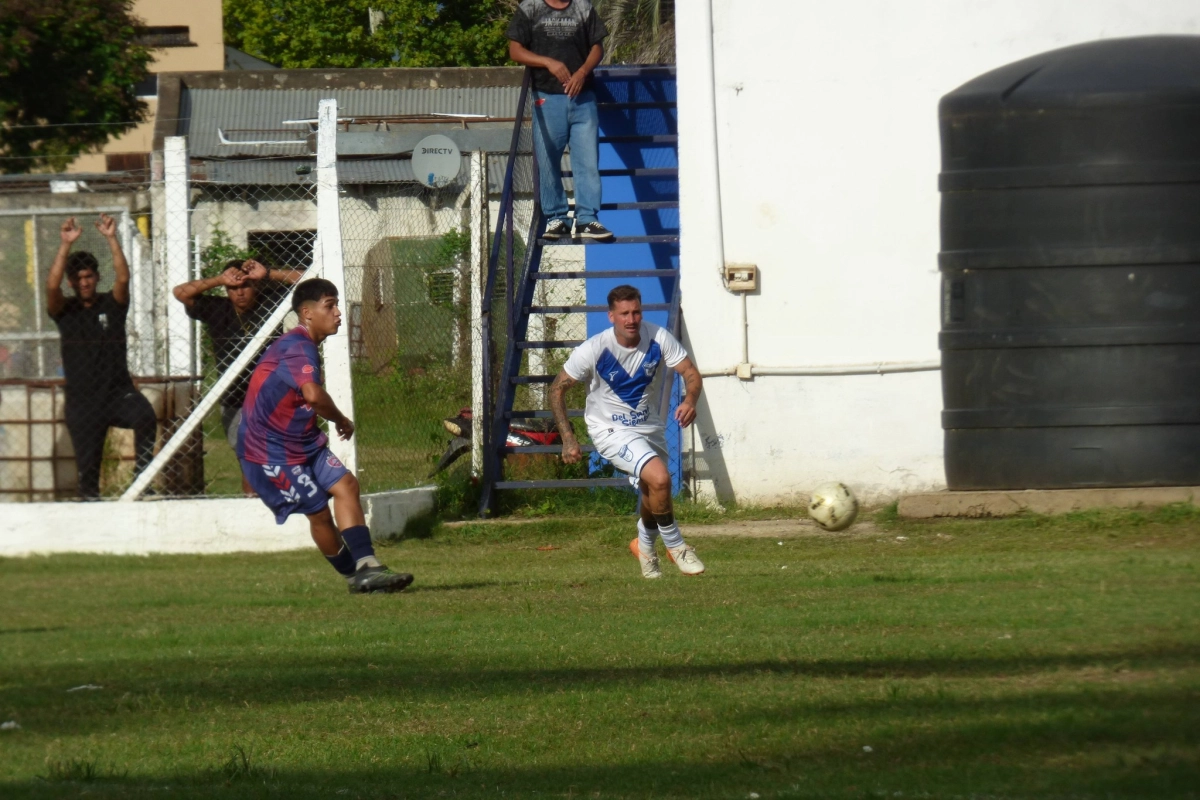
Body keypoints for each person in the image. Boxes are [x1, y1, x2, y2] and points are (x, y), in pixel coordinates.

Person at [237, 278, 413, 594]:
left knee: (346, 485)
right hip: (270, 449)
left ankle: (367, 565)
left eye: (336, 305)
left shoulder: (301, 345)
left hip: (300, 439)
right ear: (307, 313)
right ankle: (354, 577)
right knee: (318, 511)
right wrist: (341, 419)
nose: (338, 313)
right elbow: (314, 396)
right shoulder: (298, 346)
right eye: (329, 306)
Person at [549, 285, 705, 577]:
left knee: (653, 490)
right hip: (609, 431)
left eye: (636, 312)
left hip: (650, 428)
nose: (631, 319)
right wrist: (569, 437)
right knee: (660, 479)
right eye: (624, 314)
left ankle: (644, 547)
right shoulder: (594, 349)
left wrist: (689, 399)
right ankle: (678, 548)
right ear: (611, 316)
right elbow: (556, 389)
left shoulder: (658, 337)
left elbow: (691, 373)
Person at [47, 215, 157, 499]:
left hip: (117, 394)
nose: (84, 282)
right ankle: (92, 519)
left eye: (88, 276)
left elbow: (123, 277)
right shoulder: (65, 311)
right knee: (88, 478)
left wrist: (111, 237)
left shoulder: (112, 303)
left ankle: (142, 479)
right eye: (78, 278)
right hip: (83, 402)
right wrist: (64, 245)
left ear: (96, 277)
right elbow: (50, 288)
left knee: (145, 415)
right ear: (72, 282)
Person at [173, 258, 302, 494]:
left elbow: (310, 282)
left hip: (272, 396)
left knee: (279, 457)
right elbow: (180, 292)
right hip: (235, 398)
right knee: (249, 459)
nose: (239, 293)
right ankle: (252, 503)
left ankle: (286, 500)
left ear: (255, 286)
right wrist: (219, 279)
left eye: (245, 286)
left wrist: (268, 274)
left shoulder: (270, 304)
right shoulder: (218, 309)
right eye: (233, 288)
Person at [507, 0, 614, 241]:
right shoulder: (531, 7)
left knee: (587, 160)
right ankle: (557, 217)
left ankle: (587, 218)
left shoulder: (582, 7)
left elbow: (597, 47)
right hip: (546, 96)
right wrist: (547, 62)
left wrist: (582, 72)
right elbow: (515, 50)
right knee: (547, 160)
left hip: (583, 98)